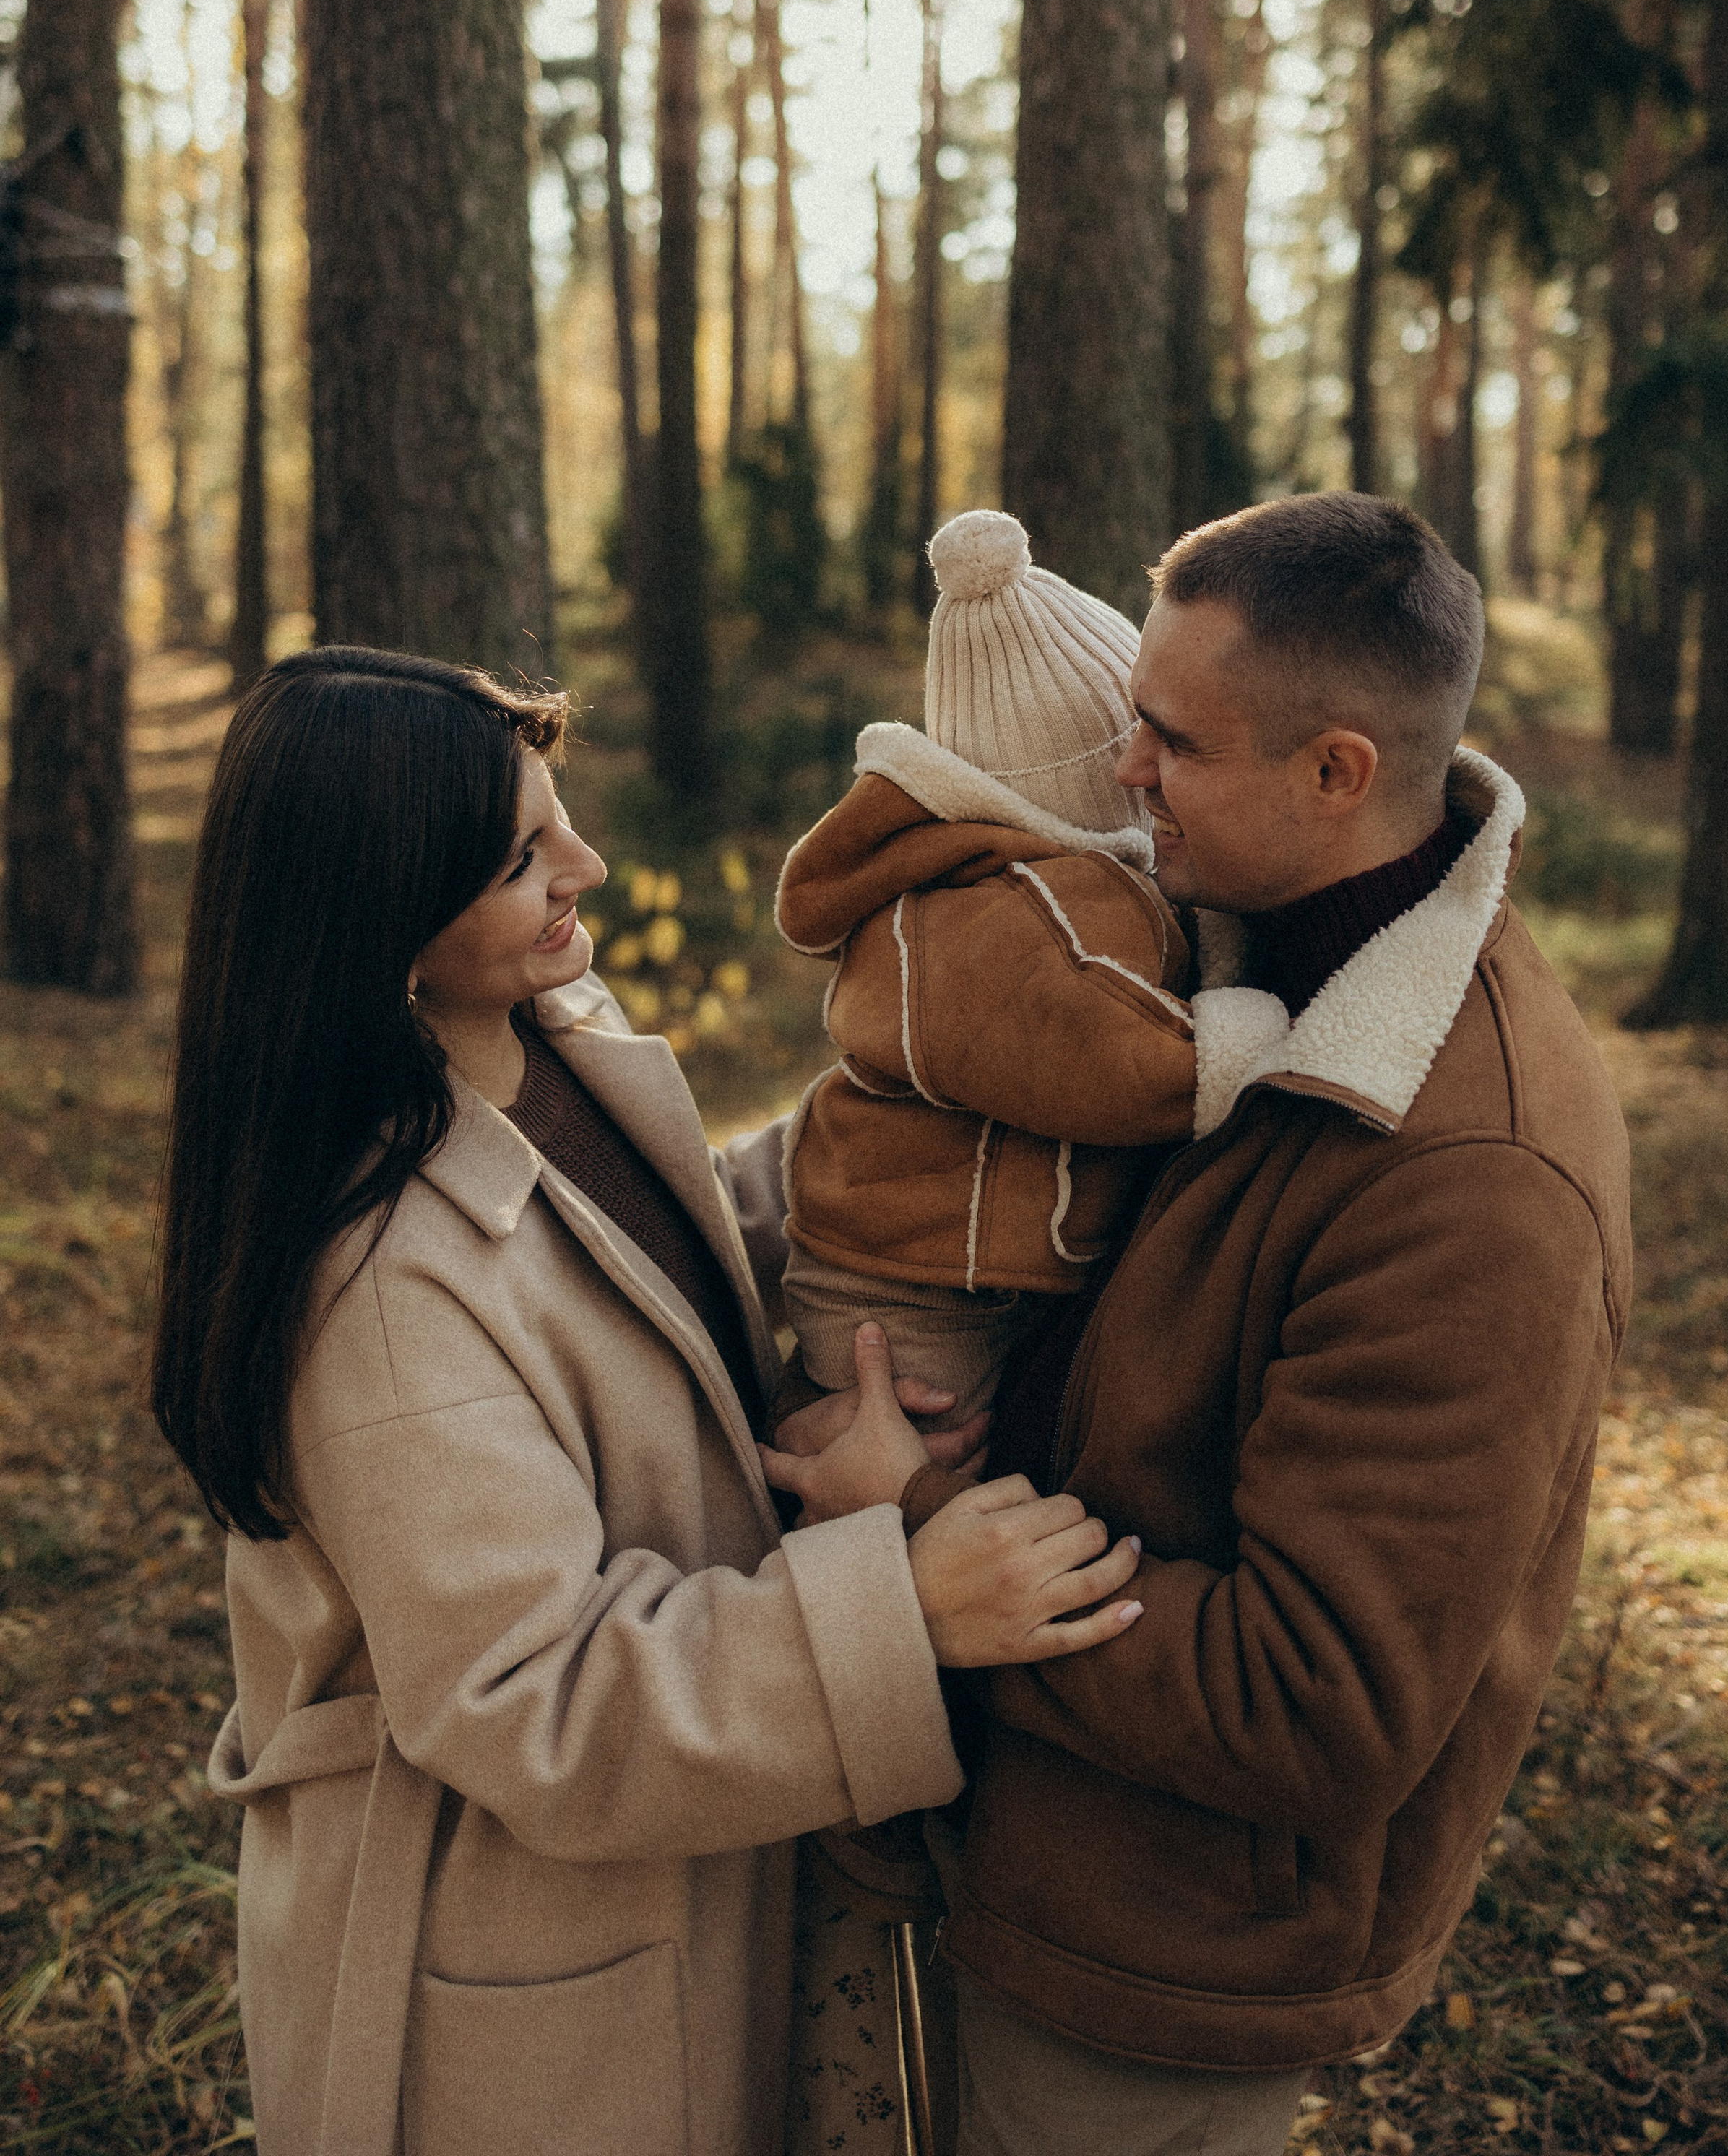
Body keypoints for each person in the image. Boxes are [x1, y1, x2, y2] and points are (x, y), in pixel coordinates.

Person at [150, 646, 1143, 2156]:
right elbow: (531, 1697)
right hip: (523, 1981)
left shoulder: (537, 1044)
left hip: (682, 1887)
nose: (585, 867)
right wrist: (904, 1604)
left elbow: (641, 1252)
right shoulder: (375, 1289)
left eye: (558, 819)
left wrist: (908, 1130)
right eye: (518, 859)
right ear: (376, 917)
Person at [767, 493, 1633, 2156]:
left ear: (1334, 772)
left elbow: (1317, 1702)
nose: (1122, 765)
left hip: (1157, 1967)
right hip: (1021, 1855)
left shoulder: (1469, 1173)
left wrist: (924, 1531)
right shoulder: (1222, 947)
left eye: (1170, 737)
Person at [774, 507, 1287, 1429]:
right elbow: (1098, 1050)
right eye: (1133, 744)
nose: (1145, 768)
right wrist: (1249, 1040)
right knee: (918, 1478)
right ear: (1087, 779)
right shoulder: (1003, 912)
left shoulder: (1028, 877)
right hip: (910, 1297)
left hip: (957, 1264)